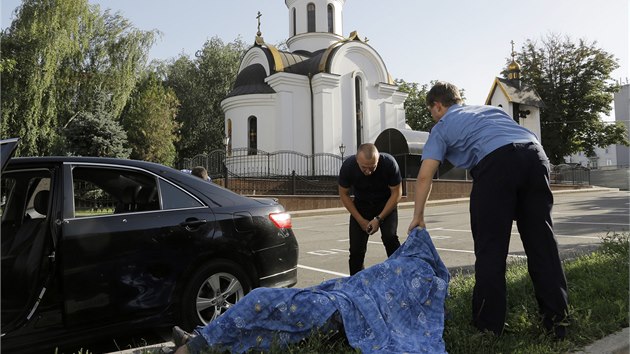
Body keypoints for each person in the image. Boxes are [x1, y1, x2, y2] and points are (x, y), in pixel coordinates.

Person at [407, 81, 569, 339]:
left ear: (438, 106)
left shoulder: (442, 126)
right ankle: (559, 323)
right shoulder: (490, 111)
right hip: (535, 156)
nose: (433, 116)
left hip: (497, 164)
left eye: (431, 111)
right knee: (542, 243)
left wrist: (418, 216)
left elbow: (425, 175)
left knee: (490, 248)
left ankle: (488, 328)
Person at [170, 227, 450, 354]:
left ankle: (194, 346)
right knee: (264, 314)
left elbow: (409, 312)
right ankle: (201, 338)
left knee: (260, 303)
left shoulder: (422, 280)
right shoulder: (399, 265)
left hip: (335, 309)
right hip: (334, 296)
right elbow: (363, 281)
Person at [338, 143, 402, 275]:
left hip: (385, 205)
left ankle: (400, 276)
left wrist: (379, 218)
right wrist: (360, 220)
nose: (368, 171)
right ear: (357, 160)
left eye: (372, 167)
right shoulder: (348, 166)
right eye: (364, 168)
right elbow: (343, 194)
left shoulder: (389, 163)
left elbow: (397, 193)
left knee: (390, 238)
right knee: (356, 250)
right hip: (361, 207)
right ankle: (357, 283)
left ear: (378, 160)